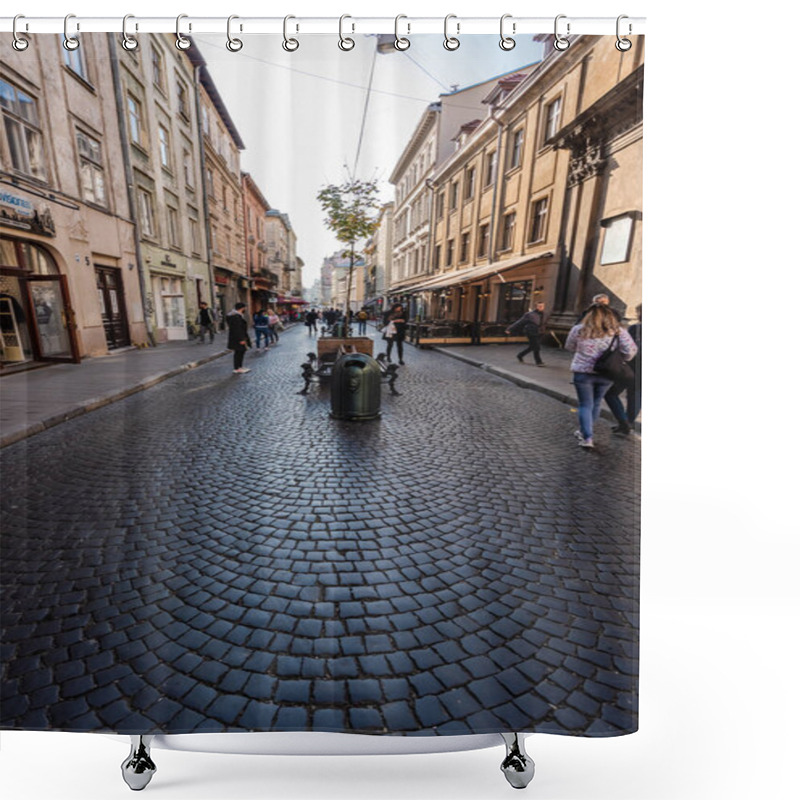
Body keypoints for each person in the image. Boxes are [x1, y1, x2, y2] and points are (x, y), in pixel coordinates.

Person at [565, 303, 637, 449]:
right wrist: (619, 358)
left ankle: (587, 437)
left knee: (585, 404)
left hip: (583, 372)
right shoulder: (618, 331)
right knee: (596, 403)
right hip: (607, 373)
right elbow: (630, 351)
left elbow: (569, 347)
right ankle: (586, 432)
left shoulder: (579, 329)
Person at [605, 304, 642, 435]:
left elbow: (626, 348)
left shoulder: (635, 329)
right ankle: (628, 423)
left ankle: (624, 422)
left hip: (631, 368)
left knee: (610, 394)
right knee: (636, 396)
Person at [506, 301, 547, 366]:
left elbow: (543, 323)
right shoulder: (529, 314)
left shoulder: (544, 314)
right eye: (539, 306)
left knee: (532, 346)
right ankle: (538, 362)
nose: (541, 307)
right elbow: (520, 322)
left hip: (540, 332)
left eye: (542, 306)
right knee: (536, 346)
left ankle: (520, 355)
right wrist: (510, 329)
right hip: (531, 332)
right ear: (536, 306)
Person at [227, 302, 251, 374]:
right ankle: (237, 368)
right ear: (242, 308)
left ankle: (240, 366)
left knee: (241, 351)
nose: (245, 309)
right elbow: (237, 329)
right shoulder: (236, 317)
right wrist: (241, 339)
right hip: (238, 338)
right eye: (245, 307)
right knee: (239, 352)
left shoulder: (235, 316)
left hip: (237, 337)